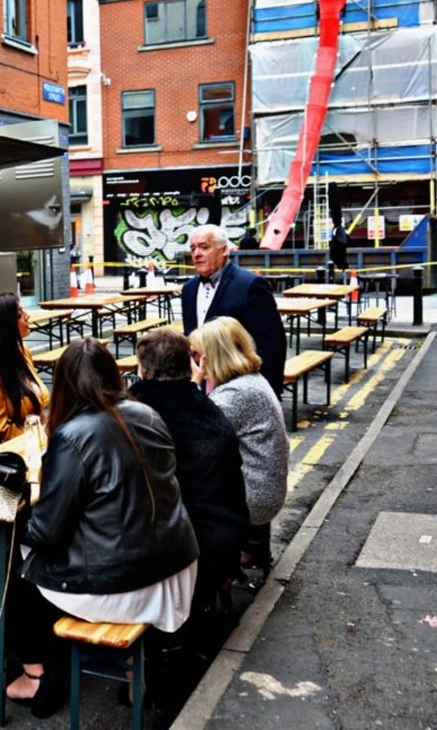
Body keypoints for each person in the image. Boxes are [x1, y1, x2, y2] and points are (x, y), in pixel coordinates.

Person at [5, 338, 199, 717]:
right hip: (177, 569)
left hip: (126, 584)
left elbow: (46, 533)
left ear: (63, 385)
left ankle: (36, 677)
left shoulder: (72, 434)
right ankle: (133, 673)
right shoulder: (147, 413)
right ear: (113, 374)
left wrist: (17, 519)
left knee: (17, 573)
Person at [131, 328, 249, 608]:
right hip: (229, 541)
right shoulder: (208, 408)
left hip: (186, 553)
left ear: (144, 371)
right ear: (190, 365)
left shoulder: (138, 409)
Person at [189, 317, 288, 575]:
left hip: (255, 496)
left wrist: (192, 384)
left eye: (197, 354)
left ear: (212, 356)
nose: (194, 360)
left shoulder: (236, 394)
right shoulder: (250, 380)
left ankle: (212, 573)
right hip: (264, 487)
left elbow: (192, 432)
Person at [182, 223, 287, 395]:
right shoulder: (189, 289)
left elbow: (272, 344)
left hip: (240, 387)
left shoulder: (250, 285)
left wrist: (267, 392)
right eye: (193, 248)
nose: (197, 254)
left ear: (224, 250)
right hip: (201, 387)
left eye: (204, 247)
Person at [0, 292, 49, 441]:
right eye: (19, 315)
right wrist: (40, 438)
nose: (27, 316)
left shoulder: (21, 352)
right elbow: (0, 429)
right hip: (15, 448)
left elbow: (39, 410)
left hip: (38, 441)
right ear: (4, 327)